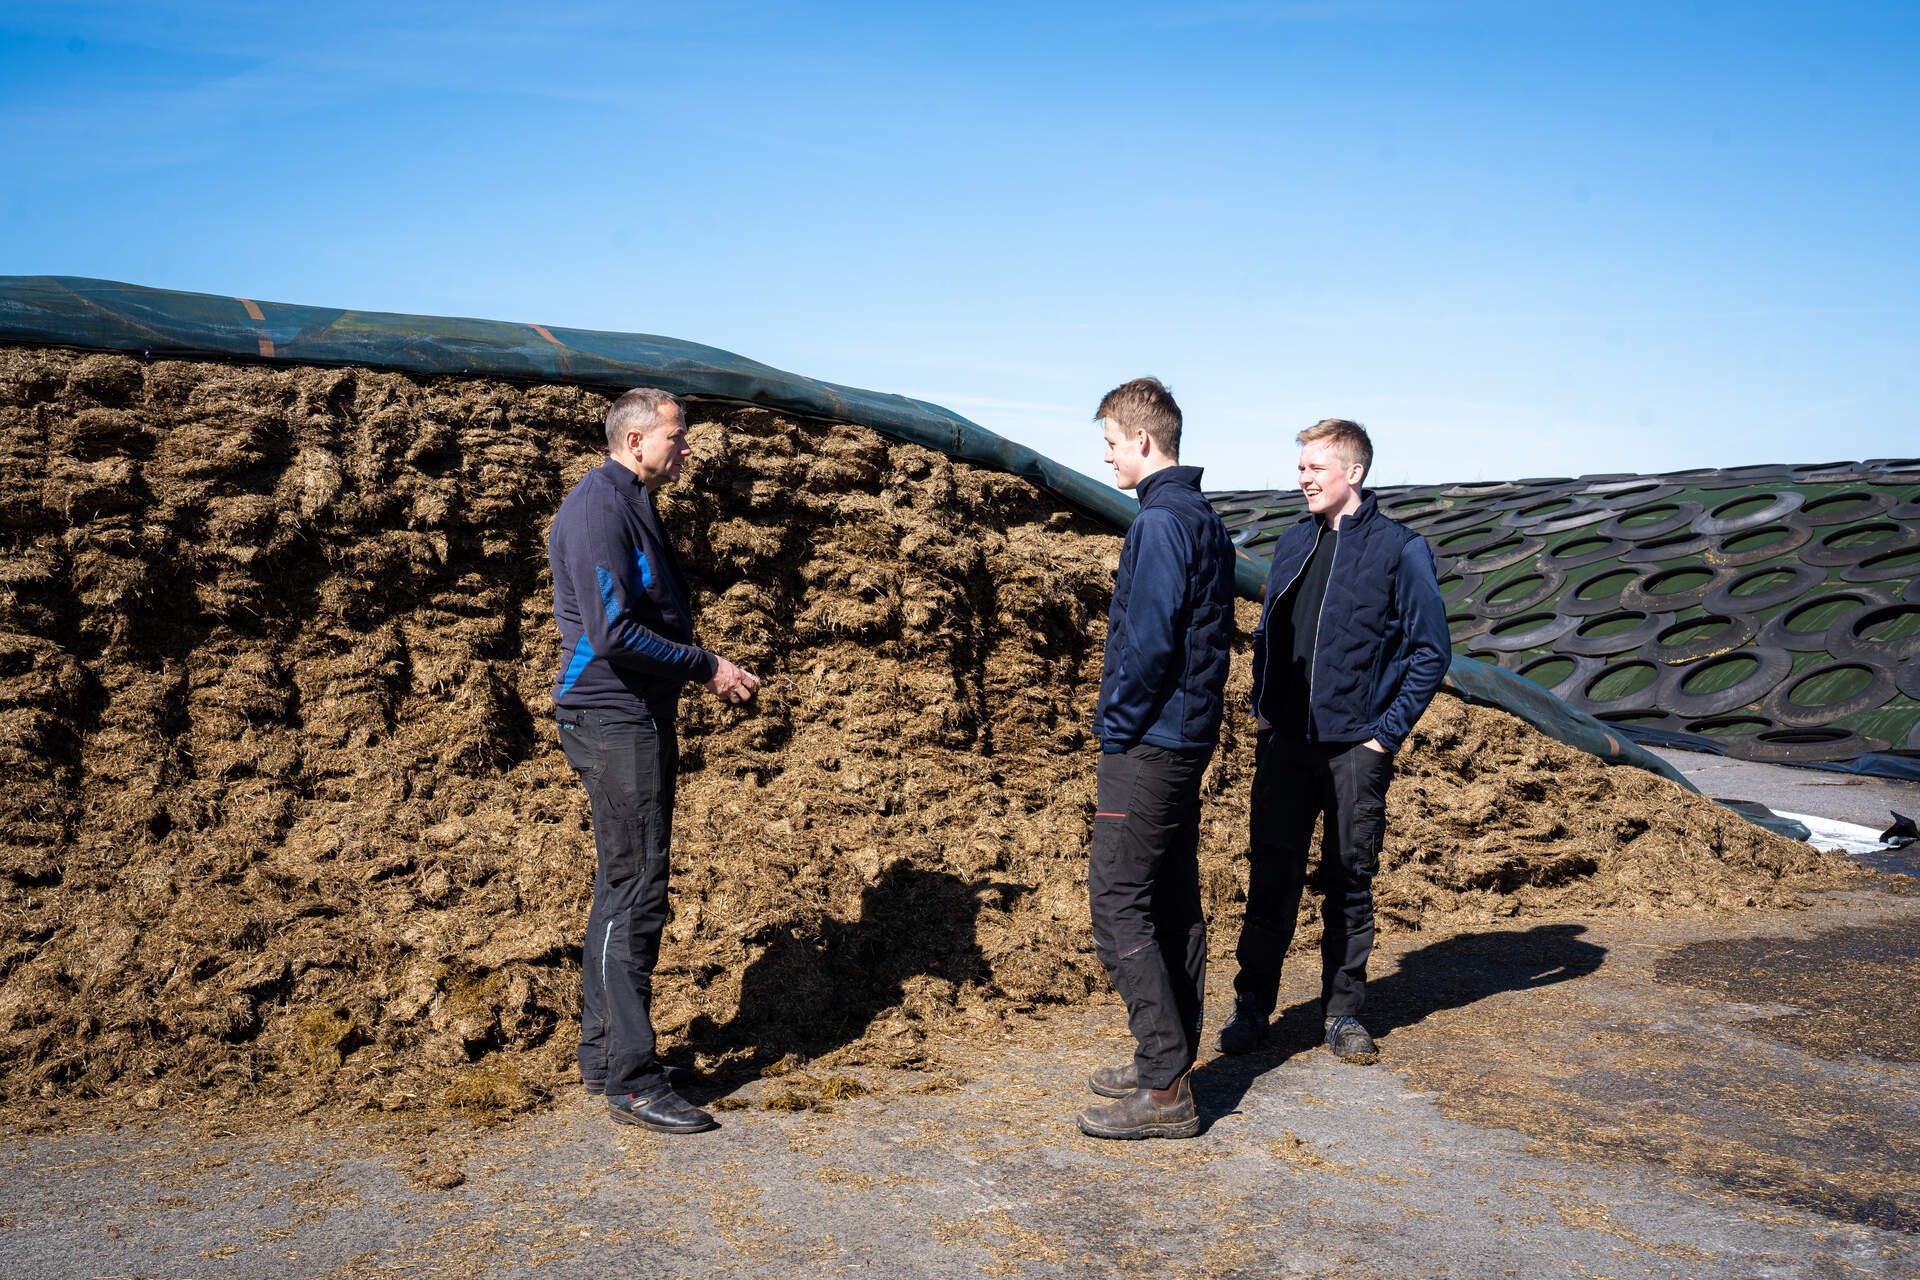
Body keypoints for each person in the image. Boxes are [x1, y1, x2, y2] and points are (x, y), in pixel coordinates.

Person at [546, 387, 760, 1133]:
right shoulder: (602, 508)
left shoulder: (628, 497)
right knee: (636, 890)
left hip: (630, 714)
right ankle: (632, 1081)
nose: (688, 447)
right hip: (612, 716)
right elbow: (611, 634)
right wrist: (707, 666)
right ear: (635, 441)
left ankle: (608, 1059)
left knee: (625, 885)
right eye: (678, 435)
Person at [1217, 418, 1449, 1063]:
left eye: (1316, 468)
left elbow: (1431, 652)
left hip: (1355, 750)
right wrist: (1264, 712)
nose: (1303, 479)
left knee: (1349, 881)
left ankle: (1343, 1015)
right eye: (1300, 468)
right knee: (1271, 881)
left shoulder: (1401, 549)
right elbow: (1270, 635)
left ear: (1355, 472)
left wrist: (1385, 735)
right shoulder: (1292, 543)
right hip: (1287, 744)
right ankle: (1250, 1009)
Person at [1076, 378, 1237, 1141]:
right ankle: (1164, 1060)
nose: (1106, 456)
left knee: (1117, 900)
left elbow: (1148, 645)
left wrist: (1117, 727)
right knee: (1170, 896)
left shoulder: (1161, 525)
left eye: (1110, 442)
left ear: (1143, 440)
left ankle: (1167, 1084)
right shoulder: (1200, 517)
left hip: (1149, 742)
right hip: (1184, 736)